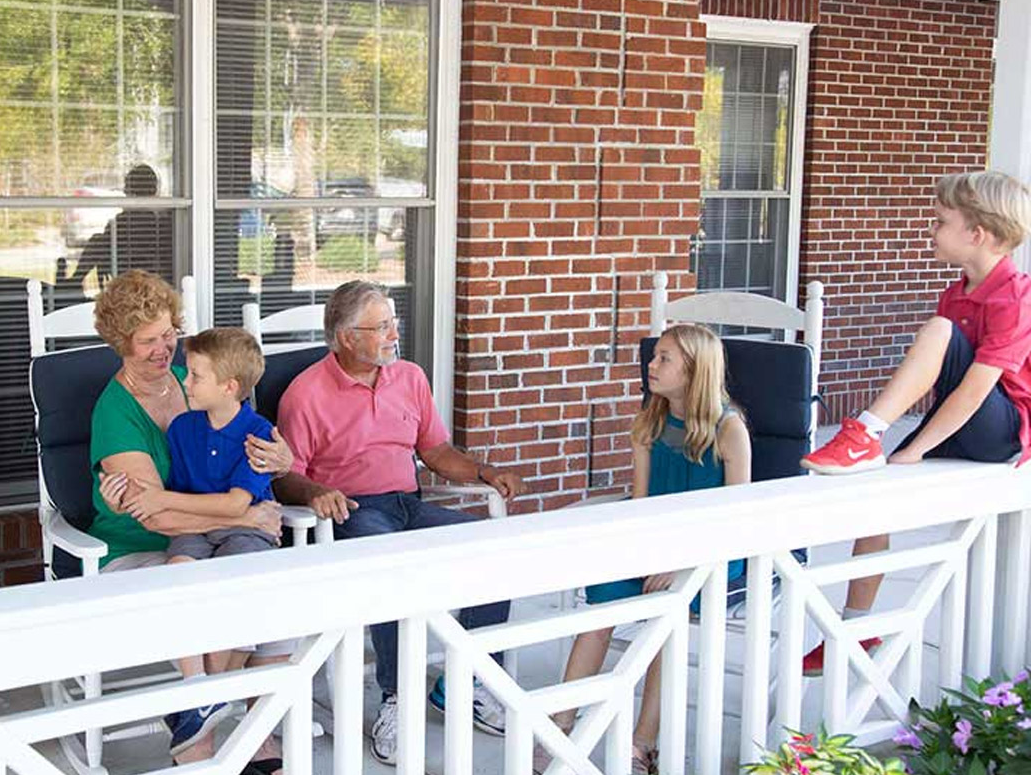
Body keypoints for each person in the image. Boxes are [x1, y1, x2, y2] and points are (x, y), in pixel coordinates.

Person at [272, 280, 525, 766]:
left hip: (408, 503)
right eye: (382, 326)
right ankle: (396, 696)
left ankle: (465, 682)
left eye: (393, 322)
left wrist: (485, 471)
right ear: (347, 337)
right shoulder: (305, 394)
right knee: (389, 563)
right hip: (351, 511)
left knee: (489, 545)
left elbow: (435, 451)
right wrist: (315, 493)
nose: (393, 333)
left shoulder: (408, 377)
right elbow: (286, 476)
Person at [799, 170, 1031, 676]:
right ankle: (856, 629)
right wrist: (906, 450)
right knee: (874, 488)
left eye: (940, 222)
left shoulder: (1015, 295)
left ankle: (864, 430)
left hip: (1000, 429)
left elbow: (975, 389)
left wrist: (917, 447)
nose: (931, 230)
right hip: (959, 419)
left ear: (978, 233)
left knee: (940, 332)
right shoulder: (957, 292)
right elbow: (938, 379)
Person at [88, 270, 293, 766]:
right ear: (122, 343)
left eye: (169, 334)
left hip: (209, 537)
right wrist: (245, 520)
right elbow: (154, 516)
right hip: (136, 547)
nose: (165, 350)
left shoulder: (198, 382)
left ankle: (227, 718)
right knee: (220, 582)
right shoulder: (115, 414)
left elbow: (248, 458)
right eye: (148, 342)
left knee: (270, 582)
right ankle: (204, 736)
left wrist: (282, 461)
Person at [537, 324, 750, 775]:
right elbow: (640, 506)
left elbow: (738, 521)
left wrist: (682, 564)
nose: (651, 366)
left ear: (695, 371)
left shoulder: (729, 430)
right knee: (600, 605)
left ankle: (642, 744)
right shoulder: (650, 421)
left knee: (666, 615)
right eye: (654, 357)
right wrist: (640, 554)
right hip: (652, 544)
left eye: (664, 359)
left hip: (710, 553)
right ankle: (561, 727)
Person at [72, 164, 173, 287]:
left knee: (97, 239)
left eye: (126, 186)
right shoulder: (166, 220)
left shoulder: (122, 223)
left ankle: (75, 281)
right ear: (155, 189)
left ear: (130, 190)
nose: (124, 191)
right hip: (156, 284)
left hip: (131, 283)